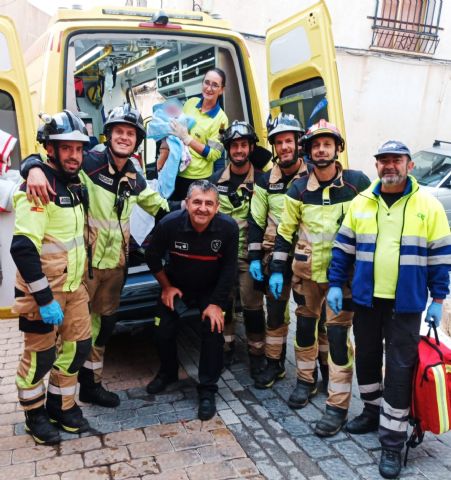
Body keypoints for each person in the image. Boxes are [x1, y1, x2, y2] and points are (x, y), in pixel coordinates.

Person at [21, 104, 172, 408]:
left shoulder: (133, 175)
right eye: (119, 131)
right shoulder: (87, 162)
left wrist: (185, 227)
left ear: (137, 140)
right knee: (74, 338)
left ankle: (92, 386)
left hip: (116, 268)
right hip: (83, 269)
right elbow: (51, 161)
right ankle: (62, 398)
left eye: (131, 134)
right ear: (109, 135)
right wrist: (31, 166)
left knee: (102, 331)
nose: (124, 138)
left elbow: (159, 207)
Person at [327, 140, 451, 478]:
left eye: (396, 160)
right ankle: (371, 410)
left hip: (406, 305)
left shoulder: (428, 205)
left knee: (398, 370)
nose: (389, 166)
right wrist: (336, 283)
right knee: (366, 356)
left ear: (409, 165)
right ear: (377, 166)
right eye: (383, 161)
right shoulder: (362, 202)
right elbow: (342, 249)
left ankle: (393, 442)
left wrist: (438, 300)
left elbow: (441, 257)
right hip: (366, 301)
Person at [270, 119, 370, 437]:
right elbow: (285, 233)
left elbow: (372, 229)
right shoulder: (298, 189)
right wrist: (276, 269)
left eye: (327, 143)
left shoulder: (358, 184)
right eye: (316, 145)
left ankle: (337, 405)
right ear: (309, 152)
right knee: (304, 329)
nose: (321, 149)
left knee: (339, 341)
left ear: (337, 148)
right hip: (306, 277)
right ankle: (305, 381)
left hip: (344, 281)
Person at [10, 111, 92, 444]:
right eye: (66, 148)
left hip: (74, 288)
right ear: (50, 149)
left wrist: (29, 164)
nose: (74, 156)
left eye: (78, 149)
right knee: (40, 357)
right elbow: (22, 249)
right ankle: (34, 415)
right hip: (42, 294)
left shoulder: (75, 181)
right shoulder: (37, 188)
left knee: (78, 347)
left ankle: (61, 405)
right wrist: (44, 299)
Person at [145, 180, 239, 421]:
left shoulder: (229, 229)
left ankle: (207, 389)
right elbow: (152, 256)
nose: (202, 208)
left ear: (217, 208)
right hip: (178, 286)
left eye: (209, 204)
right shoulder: (169, 224)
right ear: (186, 204)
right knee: (161, 328)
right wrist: (166, 287)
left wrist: (217, 303)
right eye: (197, 202)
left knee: (213, 330)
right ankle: (168, 373)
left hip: (211, 290)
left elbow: (229, 269)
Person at [248, 113, 307, 390]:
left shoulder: (313, 176)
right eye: (279, 142)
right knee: (275, 314)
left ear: (298, 143)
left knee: (309, 317)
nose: (284, 147)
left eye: (288, 141)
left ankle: (313, 373)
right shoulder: (263, 181)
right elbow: (256, 221)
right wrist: (254, 258)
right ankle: (275, 365)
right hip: (275, 259)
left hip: (307, 259)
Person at [209, 121, 266, 377]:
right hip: (221, 257)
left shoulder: (264, 181)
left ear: (251, 147)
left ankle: (257, 354)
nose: (239, 150)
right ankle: (226, 348)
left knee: (253, 308)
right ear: (228, 149)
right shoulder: (214, 181)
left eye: (244, 145)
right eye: (234, 146)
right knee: (224, 305)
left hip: (249, 256)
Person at [169, 68, 229, 200]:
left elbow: (214, 154)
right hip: (176, 171)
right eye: (206, 82)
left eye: (215, 85)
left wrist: (187, 139)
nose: (209, 88)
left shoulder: (221, 120)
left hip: (197, 178)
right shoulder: (191, 103)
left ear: (222, 90)